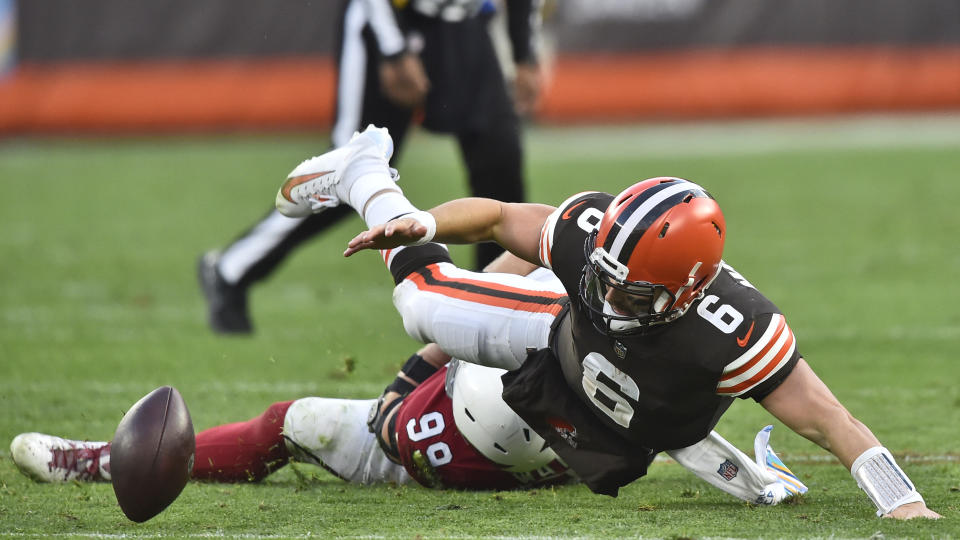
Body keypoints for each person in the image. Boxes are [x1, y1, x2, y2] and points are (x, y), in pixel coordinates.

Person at [270, 125, 941, 519]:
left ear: (689, 289)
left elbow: (833, 424)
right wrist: (427, 222)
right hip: (555, 335)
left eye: (637, 294)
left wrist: (900, 501)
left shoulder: (735, 329)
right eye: (606, 279)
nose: (614, 300)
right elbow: (503, 218)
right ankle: (363, 174)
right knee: (419, 304)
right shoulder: (597, 242)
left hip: (633, 404)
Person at [11, 340, 805, 504]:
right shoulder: (526, 351)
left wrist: (759, 480)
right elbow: (450, 330)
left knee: (300, 422)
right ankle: (101, 459)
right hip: (448, 433)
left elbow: (682, 440)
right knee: (293, 423)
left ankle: (102, 462)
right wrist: (401, 386)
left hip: (474, 458)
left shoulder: (573, 431)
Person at [199, 0, 543, 333]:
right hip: (390, 19)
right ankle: (232, 268)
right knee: (348, 172)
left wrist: (525, 52)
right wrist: (392, 49)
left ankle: (495, 308)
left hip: (464, 23)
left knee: (501, 171)